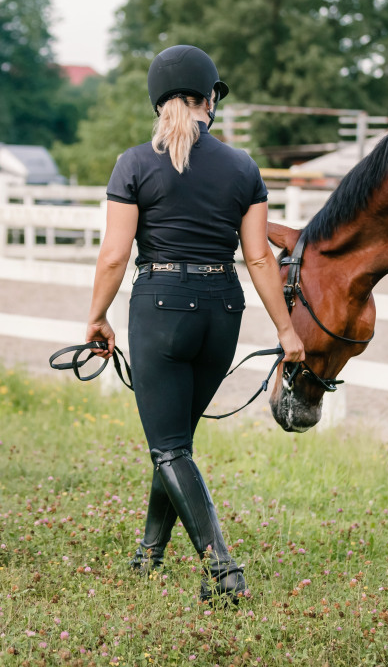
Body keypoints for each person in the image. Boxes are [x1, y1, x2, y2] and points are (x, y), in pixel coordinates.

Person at [84, 44, 305, 604]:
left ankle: (223, 570)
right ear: (210, 100)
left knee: (169, 447)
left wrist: (96, 316)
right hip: (222, 311)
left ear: (159, 105)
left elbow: (113, 255)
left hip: (160, 305)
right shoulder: (243, 167)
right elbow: (258, 259)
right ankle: (148, 555)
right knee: (177, 440)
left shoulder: (134, 163)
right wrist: (285, 330)